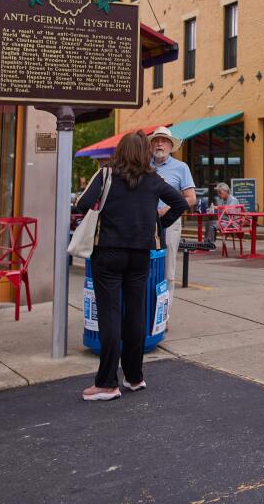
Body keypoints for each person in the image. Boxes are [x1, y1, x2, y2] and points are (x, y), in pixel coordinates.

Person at [75, 131, 189, 401]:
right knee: (136, 314)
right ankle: (135, 377)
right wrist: (159, 223)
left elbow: (81, 204)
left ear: (121, 151)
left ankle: (106, 383)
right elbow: (181, 202)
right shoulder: (153, 179)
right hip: (141, 255)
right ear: (144, 152)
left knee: (110, 315)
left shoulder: (106, 174)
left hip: (109, 252)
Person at [149, 126, 196, 288]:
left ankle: (164, 312)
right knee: (145, 268)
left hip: (169, 221)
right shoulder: (143, 166)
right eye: (156, 141)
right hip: (146, 223)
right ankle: (148, 310)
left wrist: (166, 209)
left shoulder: (181, 167)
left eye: (164, 141)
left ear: (170, 146)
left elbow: (191, 199)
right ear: (151, 145)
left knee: (168, 271)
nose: (159, 144)